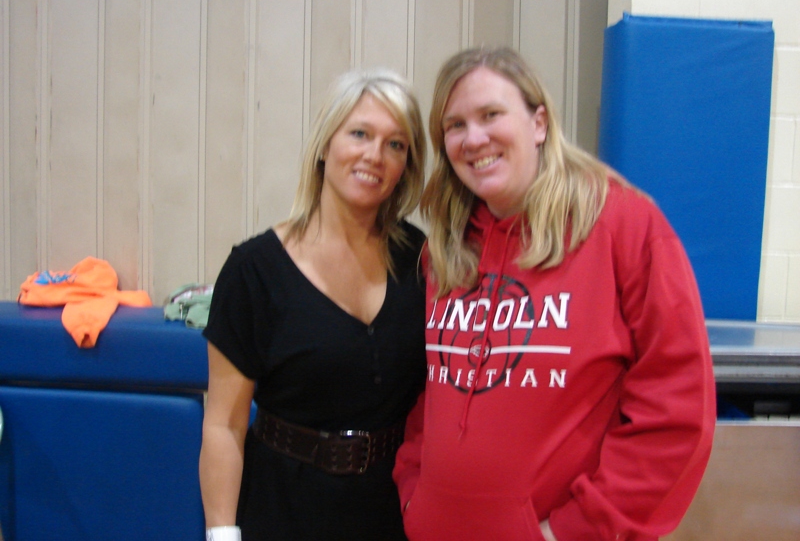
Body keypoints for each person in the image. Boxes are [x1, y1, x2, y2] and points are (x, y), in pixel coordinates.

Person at [392, 47, 716, 541]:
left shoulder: (624, 226)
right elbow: (432, 392)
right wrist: (416, 492)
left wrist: (573, 530)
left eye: (491, 115)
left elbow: (677, 411)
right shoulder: (447, 249)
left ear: (539, 123)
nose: (473, 138)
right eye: (455, 125)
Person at [200, 67, 428, 541]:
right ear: (325, 145)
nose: (375, 155)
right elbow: (224, 425)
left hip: (392, 512)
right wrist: (222, 534)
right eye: (359, 134)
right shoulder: (254, 270)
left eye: (395, 144)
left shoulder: (421, 260)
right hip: (283, 509)